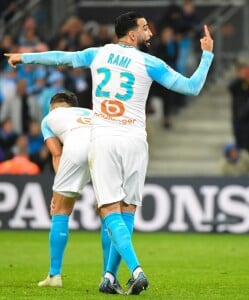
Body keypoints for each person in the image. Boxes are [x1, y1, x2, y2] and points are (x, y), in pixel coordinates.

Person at [5, 11, 214, 295]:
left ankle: (135, 271)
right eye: (144, 27)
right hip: (136, 141)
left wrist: (24, 57)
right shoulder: (150, 62)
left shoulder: (97, 54)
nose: (149, 31)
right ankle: (108, 276)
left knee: (109, 210)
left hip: (104, 139)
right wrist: (207, 56)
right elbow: (192, 87)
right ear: (131, 35)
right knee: (128, 210)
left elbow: (61, 57)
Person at [37, 92, 96, 288]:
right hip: (106, 148)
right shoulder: (91, 112)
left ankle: (55, 276)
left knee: (60, 212)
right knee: (109, 211)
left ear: (53, 107)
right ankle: (109, 276)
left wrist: (57, 192)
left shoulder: (49, 118)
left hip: (76, 150)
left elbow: (57, 154)